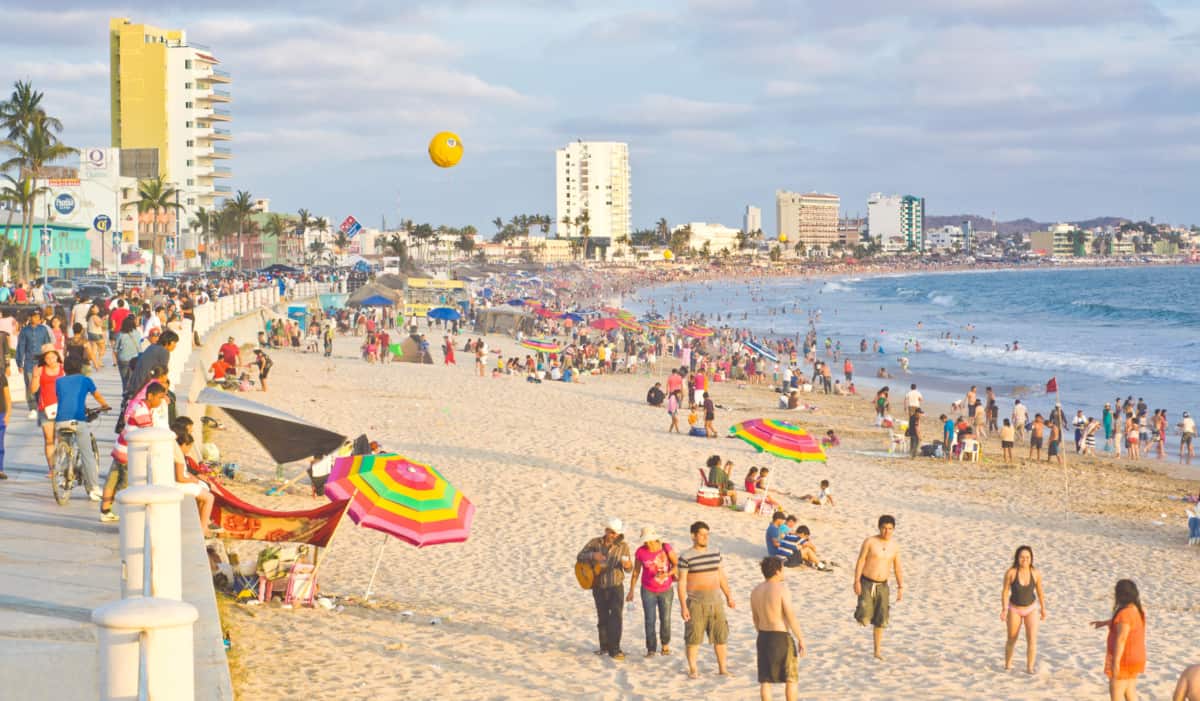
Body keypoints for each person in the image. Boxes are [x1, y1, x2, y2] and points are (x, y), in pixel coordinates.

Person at [100, 382, 169, 522]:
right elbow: (148, 433)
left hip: (120, 448)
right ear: (150, 396)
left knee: (111, 480)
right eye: (159, 397)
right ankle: (120, 512)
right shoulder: (143, 411)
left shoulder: (140, 405)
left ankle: (105, 510)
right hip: (127, 453)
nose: (161, 401)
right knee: (124, 484)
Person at [678, 520, 734, 679]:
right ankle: (693, 669)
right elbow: (681, 582)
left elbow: (721, 576)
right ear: (693, 536)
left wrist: (729, 596)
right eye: (701, 534)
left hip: (716, 602)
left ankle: (723, 669)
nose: (704, 537)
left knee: (720, 637)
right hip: (695, 603)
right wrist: (683, 606)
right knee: (693, 638)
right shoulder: (686, 556)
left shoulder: (715, 553)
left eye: (706, 535)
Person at [53, 355, 111, 499]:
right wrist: (105, 406)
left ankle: (63, 477)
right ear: (80, 367)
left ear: (65, 368)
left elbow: (65, 398)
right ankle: (94, 488)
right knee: (87, 454)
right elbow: (97, 396)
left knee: (65, 447)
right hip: (77, 420)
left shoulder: (59, 381)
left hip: (60, 421)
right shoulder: (85, 380)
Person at [576, 518, 633, 660]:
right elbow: (579, 556)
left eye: (615, 533)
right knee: (602, 617)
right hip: (598, 584)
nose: (612, 535)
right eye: (610, 531)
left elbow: (629, 569)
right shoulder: (594, 542)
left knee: (616, 617)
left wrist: (627, 566)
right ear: (606, 530)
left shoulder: (623, 547)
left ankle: (615, 649)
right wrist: (592, 555)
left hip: (616, 585)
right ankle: (604, 647)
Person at [751, 557, 806, 701]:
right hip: (780, 636)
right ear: (777, 571)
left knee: (765, 680)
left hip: (763, 636)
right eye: (782, 568)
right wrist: (800, 638)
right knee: (791, 678)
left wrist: (762, 633)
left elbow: (755, 619)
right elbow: (790, 616)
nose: (783, 572)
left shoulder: (756, 591)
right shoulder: (781, 589)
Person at [853, 514, 904, 660]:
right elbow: (861, 560)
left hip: (883, 585)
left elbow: (898, 567)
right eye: (884, 528)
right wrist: (856, 581)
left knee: (881, 619)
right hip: (867, 582)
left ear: (893, 529)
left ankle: (877, 651)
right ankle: (861, 614)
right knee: (864, 617)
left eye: (890, 529)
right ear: (879, 528)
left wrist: (900, 587)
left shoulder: (894, 546)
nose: (886, 532)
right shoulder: (870, 542)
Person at [625, 526, 678, 657]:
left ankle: (665, 645)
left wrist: (667, 574)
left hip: (666, 589)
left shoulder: (666, 548)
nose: (647, 543)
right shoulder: (640, 552)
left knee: (665, 618)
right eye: (645, 541)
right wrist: (631, 590)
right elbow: (636, 571)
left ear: (655, 538)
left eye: (649, 540)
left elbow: (678, 565)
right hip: (647, 589)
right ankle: (651, 649)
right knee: (650, 620)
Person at [1091, 579, 1146, 701]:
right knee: (1130, 691)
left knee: (1116, 692)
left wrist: (1115, 663)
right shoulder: (1136, 610)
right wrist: (1105, 623)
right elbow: (1127, 625)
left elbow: (1121, 639)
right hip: (1136, 657)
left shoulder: (1124, 614)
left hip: (1125, 659)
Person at [1001, 545, 1047, 673]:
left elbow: (1040, 592)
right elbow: (1005, 592)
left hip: (1031, 608)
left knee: (1032, 639)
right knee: (1012, 638)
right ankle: (1008, 665)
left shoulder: (1036, 573)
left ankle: (1030, 668)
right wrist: (1004, 609)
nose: (1024, 560)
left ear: (1031, 559)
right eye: (1022, 557)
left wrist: (1043, 608)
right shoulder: (1011, 572)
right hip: (1014, 608)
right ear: (1017, 558)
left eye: (1027, 557)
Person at [32, 344, 65, 475]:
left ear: (57, 357)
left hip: (63, 408)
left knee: (62, 439)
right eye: (48, 357)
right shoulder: (40, 370)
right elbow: (33, 390)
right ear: (44, 359)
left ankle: (62, 466)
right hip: (45, 408)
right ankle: (52, 468)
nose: (51, 360)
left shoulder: (63, 369)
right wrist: (35, 376)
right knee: (49, 439)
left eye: (53, 357)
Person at [16, 309, 51, 418]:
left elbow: (47, 345)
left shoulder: (43, 330)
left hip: (42, 362)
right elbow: (21, 347)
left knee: (43, 384)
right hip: (29, 363)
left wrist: (49, 359)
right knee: (30, 385)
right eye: (33, 316)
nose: (36, 318)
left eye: (37, 316)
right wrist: (19, 363)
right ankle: (32, 408)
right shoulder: (24, 331)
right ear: (30, 318)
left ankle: (43, 405)